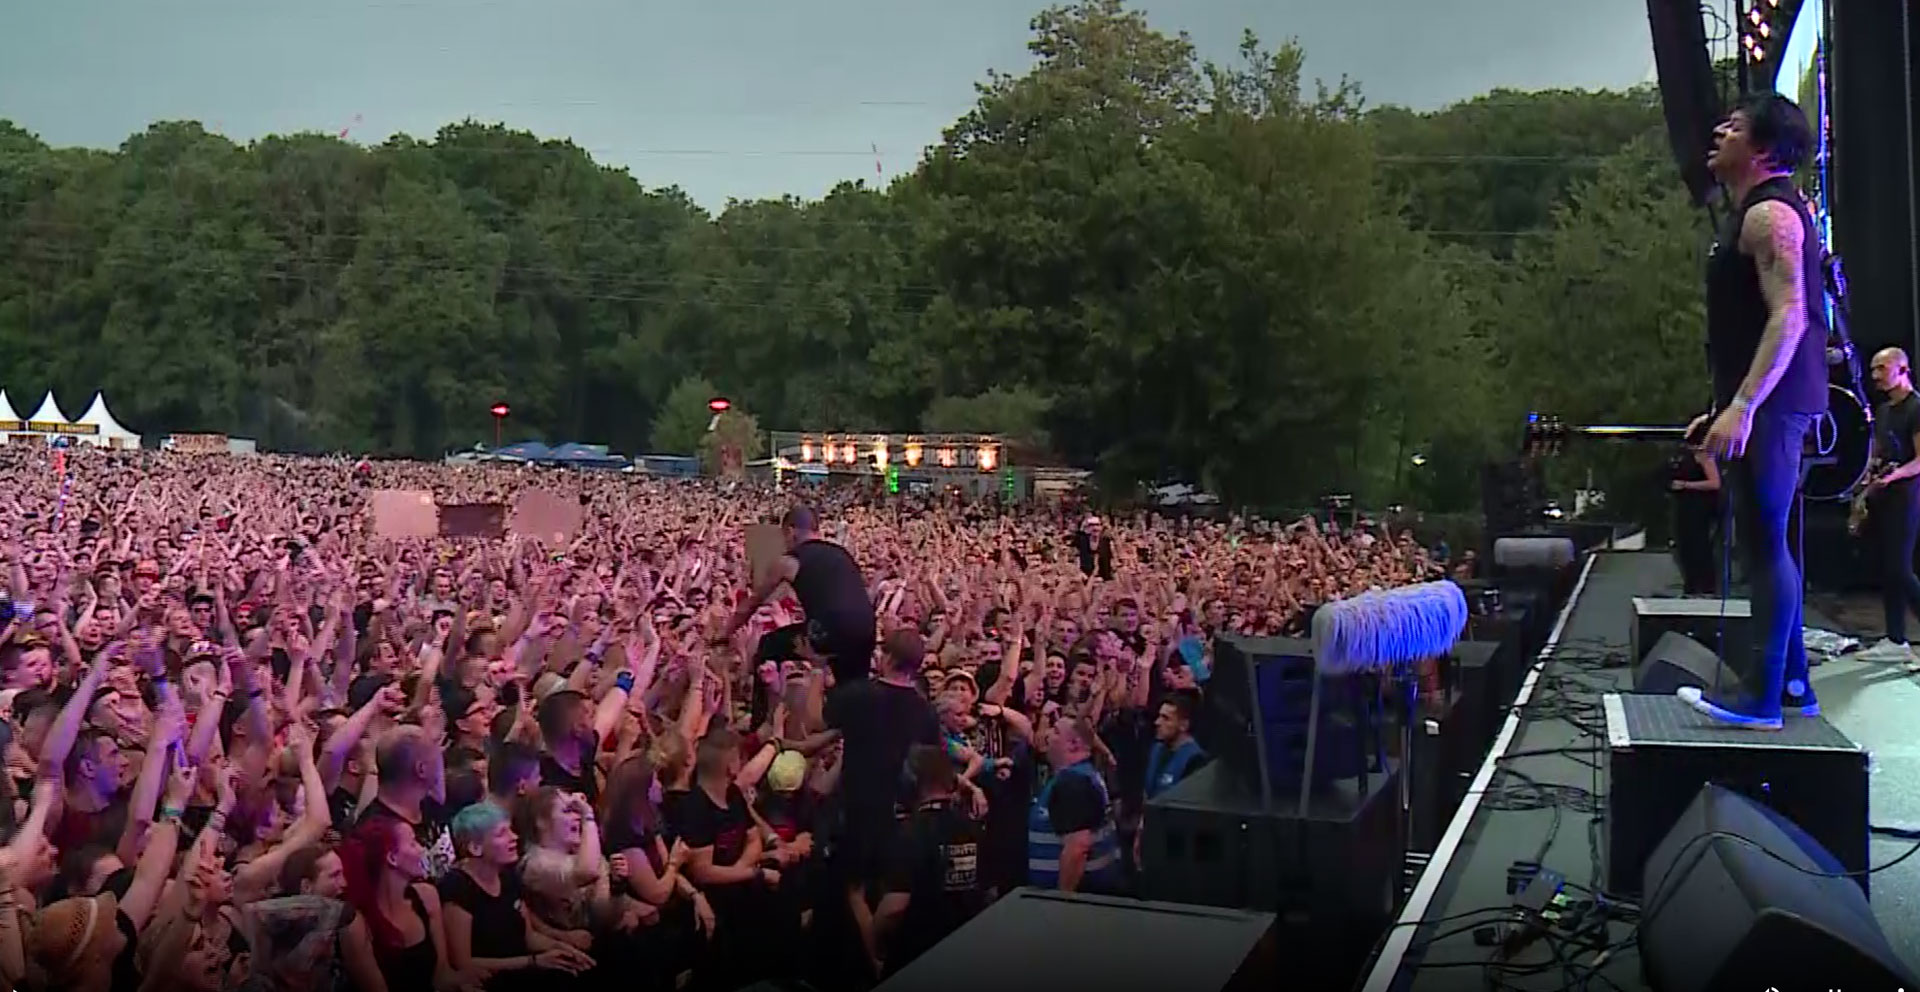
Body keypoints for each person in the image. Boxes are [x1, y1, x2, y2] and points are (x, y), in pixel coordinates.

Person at [1680, 91, 1828, 729]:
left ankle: (1761, 699)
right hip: (1766, 400)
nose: (1719, 131)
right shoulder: (1752, 215)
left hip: (1774, 403)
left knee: (1765, 546)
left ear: (1763, 150)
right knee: (1770, 544)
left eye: (1734, 127)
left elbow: (1789, 318)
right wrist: (1721, 405)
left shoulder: (1771, 218)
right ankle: (1792, 685)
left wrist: (1744, 404)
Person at [721, 506, 877, 686]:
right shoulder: (843, 554)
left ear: (790, 531)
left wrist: (725, 633)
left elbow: (750, 605)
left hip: (829, 630)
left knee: (769, 646)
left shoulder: (790, 560)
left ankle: (765, 713)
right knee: (851, 686)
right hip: (866, 629)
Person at [872, 744, 987, 978]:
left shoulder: (910, 833)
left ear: (912, 783)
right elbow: (989, 893)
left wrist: (875, 946)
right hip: (967, 956)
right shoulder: (974, 828)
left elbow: (894, 909)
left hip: (918, 960)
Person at [1850, 347, 1920, 671]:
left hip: (1907, 494)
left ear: (1902, 368)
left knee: (1901, 570)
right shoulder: (1884, 410)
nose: (1875, 375)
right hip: (1884, 495)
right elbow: (1876, 452)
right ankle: (1896, 640)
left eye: (1881, 368)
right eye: (1873, 369)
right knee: (1888, 570)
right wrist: (1866, 481)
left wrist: (1894, 475)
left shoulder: (1915, 408)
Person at [1028, 716, 1122, 895]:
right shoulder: (1084, 774)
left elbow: (1078, 847)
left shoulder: (1072, 782)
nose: (1047, 735)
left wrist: (1063, 901)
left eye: (1055, 731)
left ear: (1073, 744)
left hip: (1072, 899)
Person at [1669, 439, 1723, 595]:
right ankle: (1691, 584)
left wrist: (1686, 485)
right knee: (1684, 545)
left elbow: (1715, 483)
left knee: (1699, 545)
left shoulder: (1704, 455)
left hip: (1699, 507)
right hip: (1684, 506)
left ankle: (1706, 586)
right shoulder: (1683, 456)